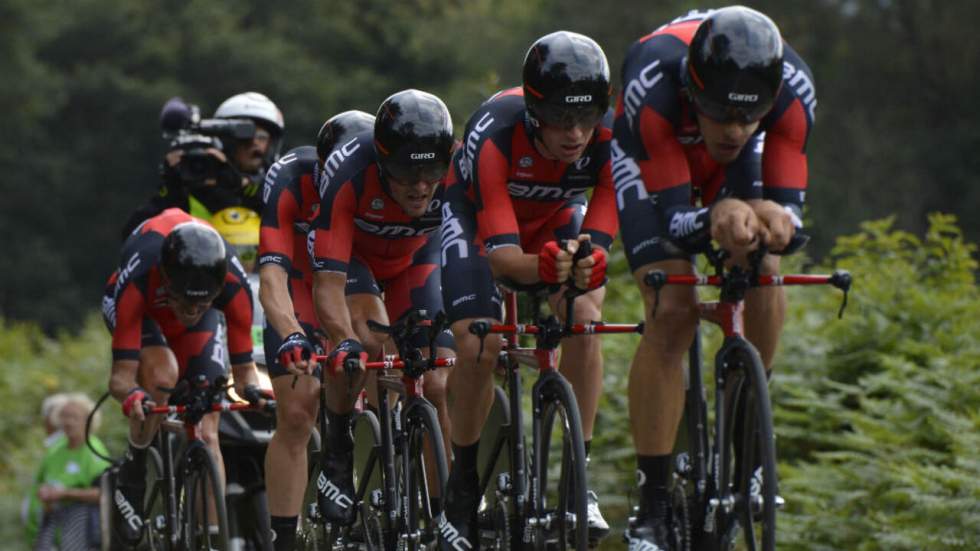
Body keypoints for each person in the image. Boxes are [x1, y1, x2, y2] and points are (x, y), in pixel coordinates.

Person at [611, 6, 815, 548]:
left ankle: (750, 425)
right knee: (672, 308)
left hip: (738, 164)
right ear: (694, 90)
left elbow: (791, 222)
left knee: (766, 264)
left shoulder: (793, 92)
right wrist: (719, 216)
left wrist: (777, 224)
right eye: (720, 113)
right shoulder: (652, 85)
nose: (733, 129)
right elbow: (678, 224)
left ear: (769, 103)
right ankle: (652, 502)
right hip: (655, 152)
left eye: (748, 116)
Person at [437, 30, 619, 548]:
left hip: (554, 216)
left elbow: (599, 237)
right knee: (480, 340)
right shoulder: (495, 132)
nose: (576, 134)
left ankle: (577, 481)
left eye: (587, 119)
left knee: (584, 312)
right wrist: (542, 268)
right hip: (480, 222)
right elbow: (503, 260)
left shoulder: (610, 137)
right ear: (535, 112)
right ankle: (464, 481)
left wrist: (588, 263)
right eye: (562, 120)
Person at [308, 90, 456, 533]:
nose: (421, 186)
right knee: (372, 338)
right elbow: (328, 284)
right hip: (358, 258)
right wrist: (343, 340)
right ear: (381, 162)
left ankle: (445, 508)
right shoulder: (350, 172)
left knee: (438, 379)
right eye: (406, 173)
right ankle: (348, 447)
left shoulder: (456, 173)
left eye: (431, 171)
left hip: (415, 258)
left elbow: (479, 252)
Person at [101, 208, 266, 545]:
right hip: (144, 311)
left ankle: (212, 537)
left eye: (202, 304)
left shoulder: (234, 286)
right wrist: (135, 396)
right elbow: (120, 380)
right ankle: (135, 464)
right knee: (162, 375)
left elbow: (244, 370)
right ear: (166, 279)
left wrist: (254, 393)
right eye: (185, 302)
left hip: (186, 321)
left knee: (208, 429)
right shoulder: (140, 277)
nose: (191, 311)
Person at [256, 109, 374, 550]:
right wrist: (290, 332)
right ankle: (284, 537)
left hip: (351, 280)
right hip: (301, 286)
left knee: (379, 350)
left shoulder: (377, 179)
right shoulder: (289, 177)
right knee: (298, 409)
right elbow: (272, 277)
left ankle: (384, 487)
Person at [121, 92, 285, 237]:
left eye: (262, 136)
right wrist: (171, 189)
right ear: (224, 138)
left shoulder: (277, 191)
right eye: (245, 135)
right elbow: (134, 236)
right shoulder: (195, 182)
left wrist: (239, 185)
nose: (255, 144)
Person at [30, 393, 111, 551]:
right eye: (64, 416)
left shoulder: (94, 450)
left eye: (74, 417)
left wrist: (65, 493)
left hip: (82, 526)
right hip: (52, 520)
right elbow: (40, 481)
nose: (68, 422)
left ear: (88, 420)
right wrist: (44, 493)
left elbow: (104, 493)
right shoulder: (55, 450)